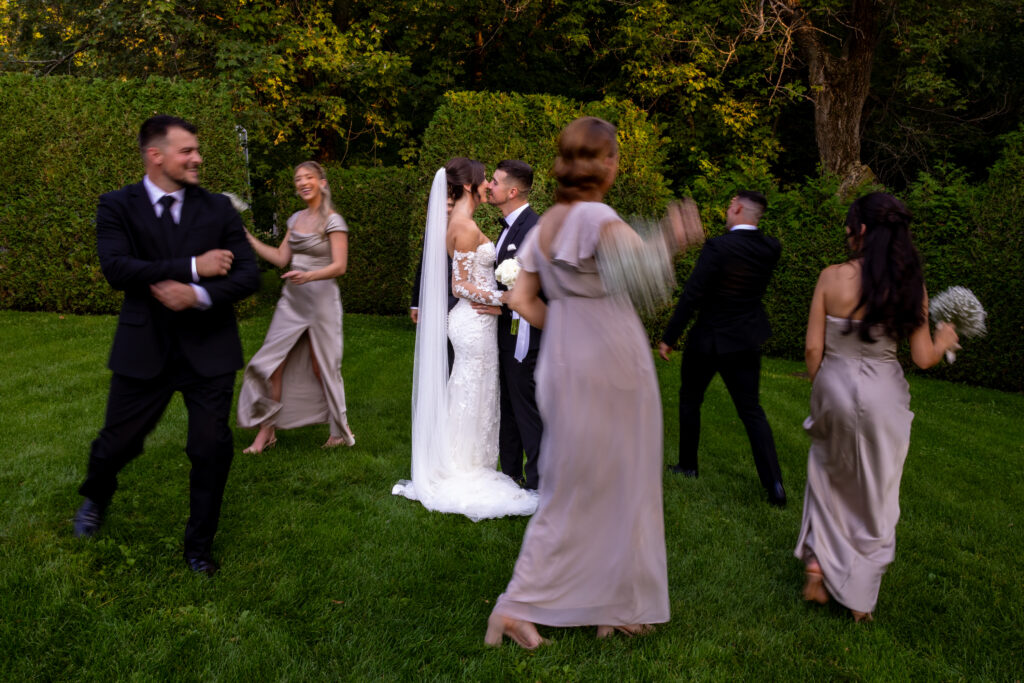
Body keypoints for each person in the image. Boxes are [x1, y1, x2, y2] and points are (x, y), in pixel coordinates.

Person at [485, 117, 703, 648]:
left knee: (583, 480)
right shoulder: (597, 218)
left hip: (564, 362)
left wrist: (567, 329)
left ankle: (611, 606)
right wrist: (673, 239)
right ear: (605, 163)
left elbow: (520, 298)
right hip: (611, 362)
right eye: (615, 155)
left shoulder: (549, 224)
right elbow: (643, 273)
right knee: (606, 484)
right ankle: (517, 606)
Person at [72, 115, 260, 576]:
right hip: (145, 347)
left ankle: (199, 548)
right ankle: (96, 495)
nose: (197, 158)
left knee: (210, 448)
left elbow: (248, 275)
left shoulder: (218, 209)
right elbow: (117, 268)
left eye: (197, 150)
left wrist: (195, 295)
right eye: (187, 151)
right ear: (155, 155)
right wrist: (194, 267)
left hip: (209, 351)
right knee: (117, 443)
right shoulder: (116, 205)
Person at [795, 192, 959, 622]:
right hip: (884, 391)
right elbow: (923, 357)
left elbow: (813, 348)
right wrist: (944, 339)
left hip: (834, 382)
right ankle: (859, 598)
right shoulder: (909, 284)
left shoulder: (831, 277)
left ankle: (816, 566)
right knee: (877, 491)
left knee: (828, 473)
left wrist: (824, 388)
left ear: (862, 230)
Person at [392, 157, 538, 520]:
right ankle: (464, 465)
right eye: (485, 179)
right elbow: (459, 285)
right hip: (473, 321)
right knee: (473, 388)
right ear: (470, 186)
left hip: (475, 321)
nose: (489, 184)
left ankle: (465, 458)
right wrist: (503, 298)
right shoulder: (465, 227)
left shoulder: (461, 223)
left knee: (471, 389)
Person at [658, 190, 787, 507]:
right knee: (752, 411)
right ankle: (775, 485)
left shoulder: (718, 247)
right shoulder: (771, 249)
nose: (727, 211)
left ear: (739, 208)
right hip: (746, 340)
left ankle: (688, 465)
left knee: (690, 400)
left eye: (730, 206)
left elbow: (693, 294)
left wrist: (670, 336)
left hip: (710, 339)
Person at [236, 161, 356, 452]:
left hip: (322, 302)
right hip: (292, 301)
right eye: (297, 178)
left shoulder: (333, 221)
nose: (302, 182)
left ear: (322, 183)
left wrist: (309, 275)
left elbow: (340, 266)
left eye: (308, 177)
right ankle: (266, 433)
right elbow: (280, 258)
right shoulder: (294, 219)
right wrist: (248, 238)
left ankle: (340, 432)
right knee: (271, 365)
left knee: (323, 367)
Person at [475, 160, 544, 490]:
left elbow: (536, 288)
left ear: (512, 191)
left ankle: (541, 483)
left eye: (496, 182)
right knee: (509, 407)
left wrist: (497, 300)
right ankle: (511, 475)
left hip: (526, 335)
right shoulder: (508, 227)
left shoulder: (534, 229)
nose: (489, 185)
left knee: (526, 409)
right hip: (506, 330)